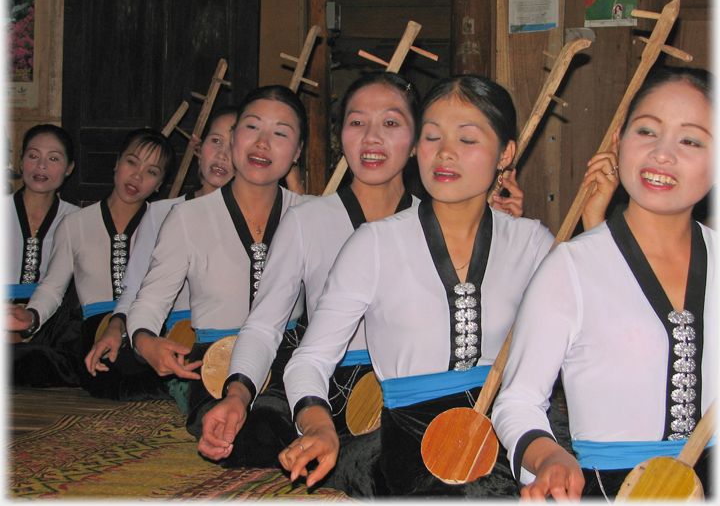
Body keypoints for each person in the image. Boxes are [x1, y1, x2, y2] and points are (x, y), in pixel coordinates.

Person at [276, 74, 619, 497]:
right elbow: (309, 360)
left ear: (506, 153)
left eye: (468, 140)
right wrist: (318, 424)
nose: (445, 153)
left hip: (517, 428)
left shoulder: (531, 243)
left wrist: (596, 223)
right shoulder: (375, 245)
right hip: (416, 436)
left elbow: (601, 343)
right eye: (432, 136)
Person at [195, 72, 525, 479]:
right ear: (341, 138)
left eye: (390, 123)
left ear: (417, 139)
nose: (371, 138)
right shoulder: (306, 221)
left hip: (415, 391)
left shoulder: (451, 214)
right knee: (262, 433)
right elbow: (265, 325)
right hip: (328, 389)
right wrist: (237, 395)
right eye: (356, 123)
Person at [491, 67, 715, 500]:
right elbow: (517, 401)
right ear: (618, 142)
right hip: (608, 489)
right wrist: (550, 457)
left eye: (690, 140)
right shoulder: (571, 267)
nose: (662, 154)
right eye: (646, 131)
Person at [126, 85, 312, 434]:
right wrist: (144, 339)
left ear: (297, 151)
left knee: (275, 425)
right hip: (215, 360)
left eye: (280, 133)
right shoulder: (188, 217)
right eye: (252, 127)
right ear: (234, 136)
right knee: (244, 432)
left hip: (290, 356)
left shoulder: (311, 213)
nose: (262, 143)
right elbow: (149, 300)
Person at [83, 108, 238, 398]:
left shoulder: (251, 218)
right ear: (197, 147)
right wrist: (117, 328)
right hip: (170, 335)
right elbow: (136, 288)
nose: (222, 155)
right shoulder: (161, 212)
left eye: (233, 146)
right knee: (109, 370)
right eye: (215, 141)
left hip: (225, 339)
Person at [7, 128, 175, 394]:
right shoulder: (75, 224)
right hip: (94, 330)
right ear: (116, 163)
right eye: (131, 162)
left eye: (152, 172)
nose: (137, 176)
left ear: (159, 184)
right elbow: (52, 287)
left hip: (146, 331)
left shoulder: (167, 224)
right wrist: (31, 316)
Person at [6, 125, 79, 305]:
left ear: (69, 168)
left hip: (55, 322)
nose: (41, 165)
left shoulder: (78, 219)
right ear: (21, 162)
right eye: (33, 156)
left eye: (53, 158)